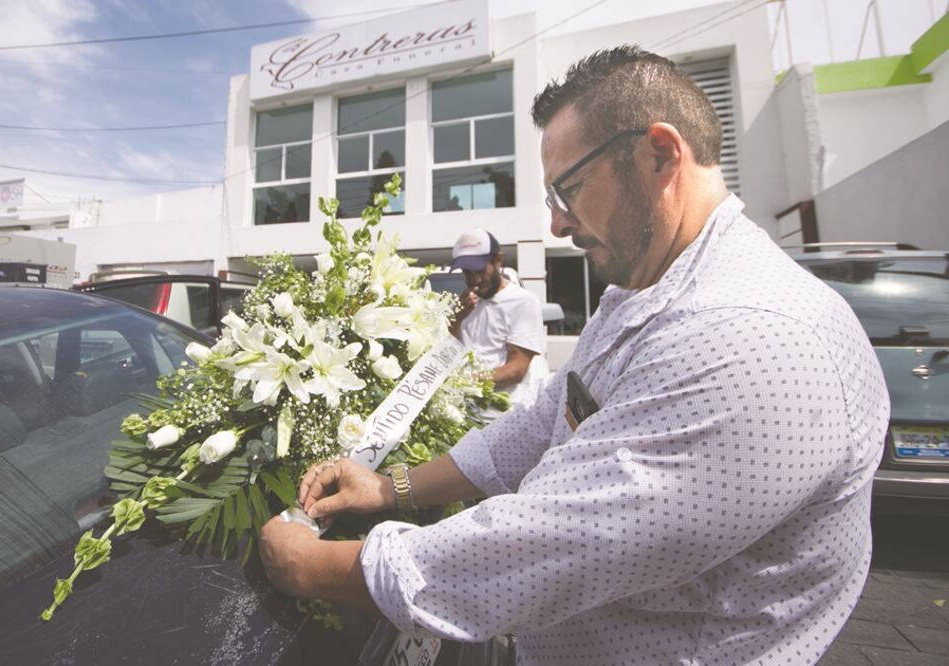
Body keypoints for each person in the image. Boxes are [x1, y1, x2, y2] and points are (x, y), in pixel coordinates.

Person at [260, 45, 889, 665]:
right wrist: (392, 487)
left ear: (660, 155)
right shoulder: (641, 292)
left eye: (570, 188)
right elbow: (546, 423)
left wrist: (311, 563)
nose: (558, 224)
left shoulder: (744, 338)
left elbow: (546, 549)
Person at [448, 228, 546, 406]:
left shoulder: (523, 302)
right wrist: (457, 317)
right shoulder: (462, 304)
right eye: (467, 272)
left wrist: (464, 382)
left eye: (479, 270)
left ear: (498, 260)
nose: (474, 279)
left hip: (500, 414)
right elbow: (447, 351)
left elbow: (517, 369)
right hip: (461, 410)